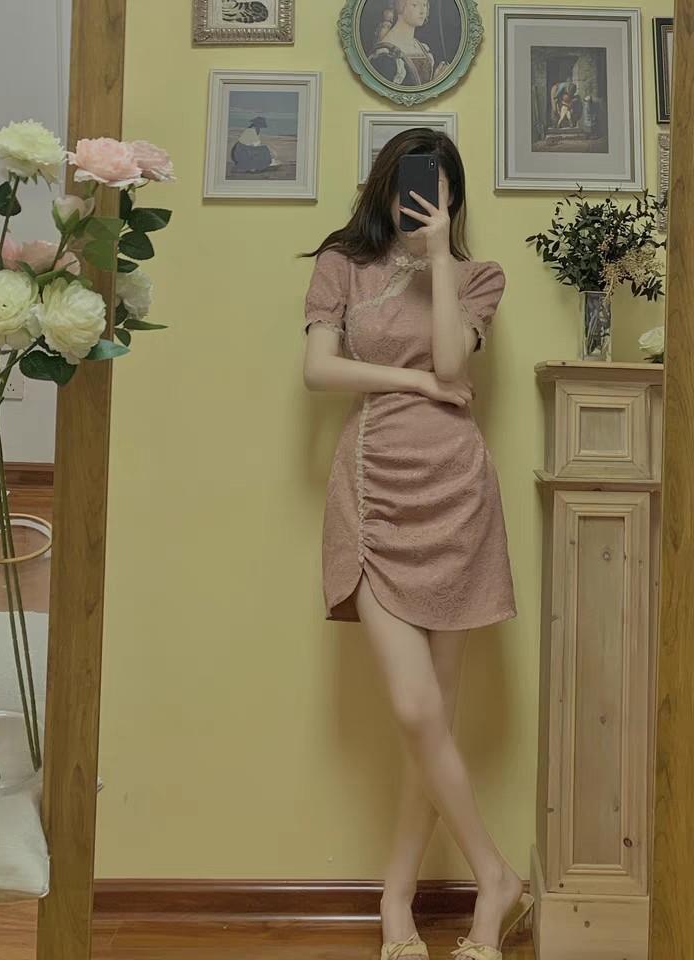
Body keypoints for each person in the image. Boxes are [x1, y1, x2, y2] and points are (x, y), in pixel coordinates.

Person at [301, 129, 533, 960]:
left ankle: (398, 901)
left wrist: (439, 257)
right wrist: (410, 381)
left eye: (436, 186)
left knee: (429, 721)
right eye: (408, 183)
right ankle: (495, 877)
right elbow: (320, 371)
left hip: (457, 495)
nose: (421, 197)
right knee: (415, 709)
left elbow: (451, 359)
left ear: (452, 196)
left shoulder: (478, 277)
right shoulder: (342, 264)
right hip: (373, 492)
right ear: (384, 186)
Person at [369, 0, 449, 86]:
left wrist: (436, 81)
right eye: (415, 5)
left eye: (424, 5)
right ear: (400, 6)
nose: (422, 11)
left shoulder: (422, 48)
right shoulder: (386, 52)